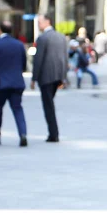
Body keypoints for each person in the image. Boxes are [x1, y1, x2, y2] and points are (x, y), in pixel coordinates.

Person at [0, 21, 28, 147]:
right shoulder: (19, 45)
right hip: (16, 83)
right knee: (18, 109)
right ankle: (23, 134)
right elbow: (24, 65)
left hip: (0, 83)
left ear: (0, 30)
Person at [31, 14, 69, 143]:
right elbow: (65, 58)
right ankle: (54, 133)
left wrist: (34, 78)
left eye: (40, 22)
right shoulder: (61, 37)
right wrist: (64, 77)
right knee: (50, 104)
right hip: (58, 76)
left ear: (47, 21)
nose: (38, 25)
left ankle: (53, 134)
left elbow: (38, 59)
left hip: (46, 77)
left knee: (48, 106)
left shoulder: (42, 38)